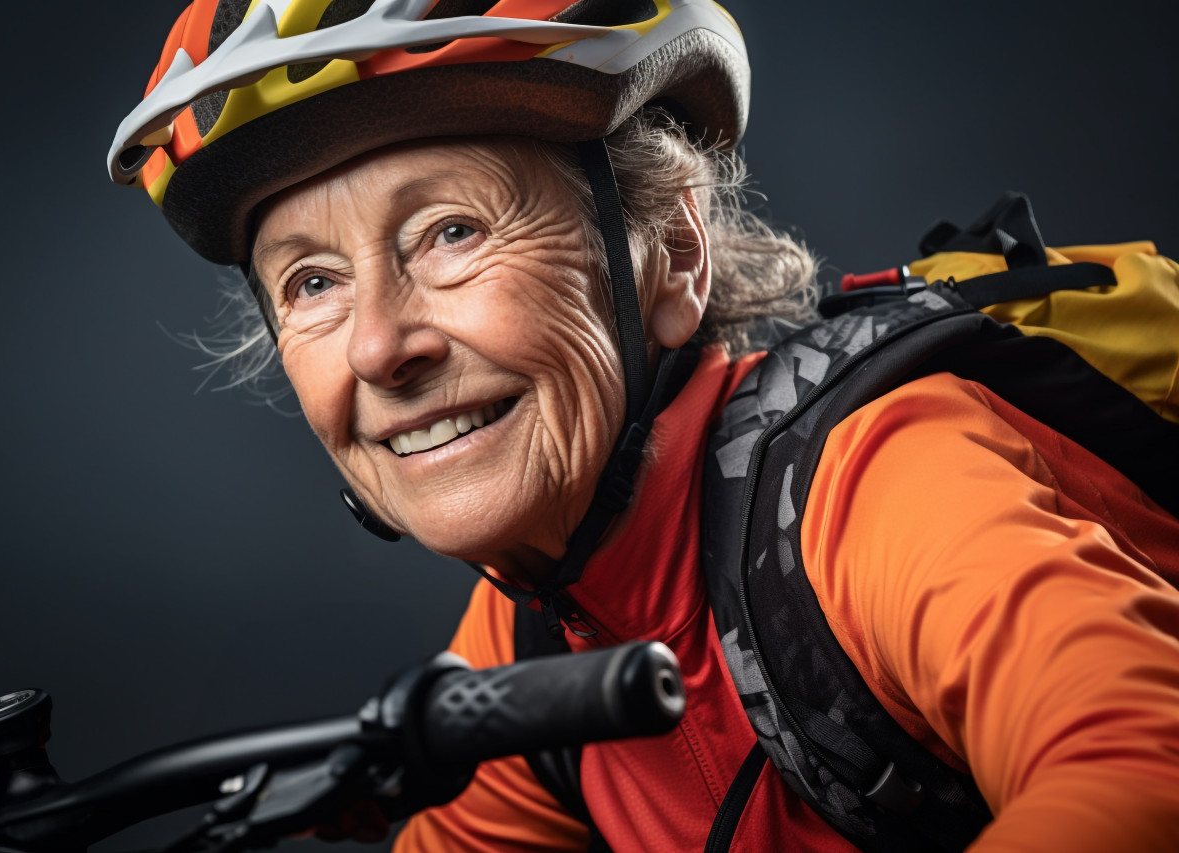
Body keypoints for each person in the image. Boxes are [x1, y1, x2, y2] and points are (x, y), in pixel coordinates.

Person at [107, 1, 1179, 850]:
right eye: (311, 282)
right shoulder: (529, 624)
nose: (381, 347)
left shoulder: (874, 482)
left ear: (670, 251)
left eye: (449, 230)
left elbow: (1140, 768)